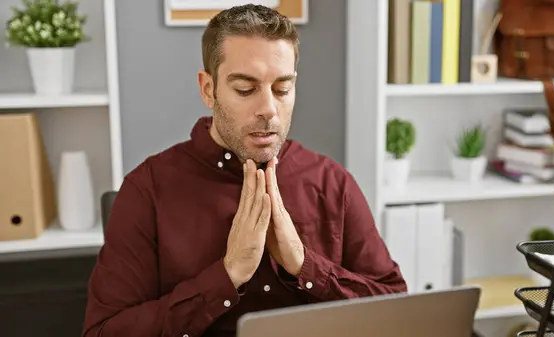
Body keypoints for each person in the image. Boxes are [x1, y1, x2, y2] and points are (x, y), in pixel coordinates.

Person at [82, 4, 406, 337]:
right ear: (208, 89)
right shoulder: (147, 190)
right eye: (245, 89)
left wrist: (303, 264)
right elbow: (103, 332)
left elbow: (397, 309)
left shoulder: (332, 182)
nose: (268, 109)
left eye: (282, 89)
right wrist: (226, 275)